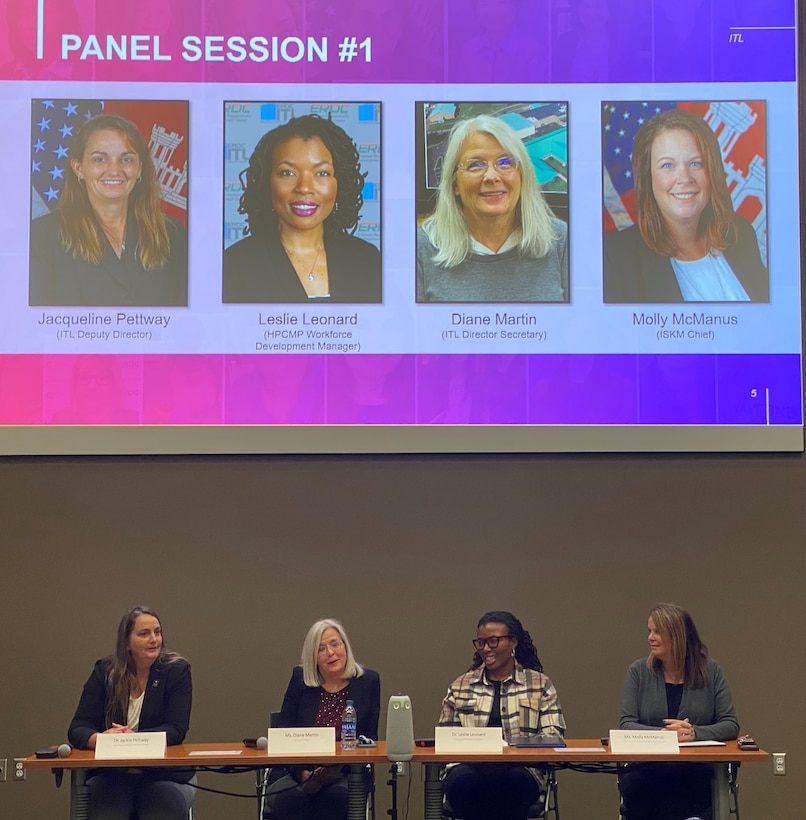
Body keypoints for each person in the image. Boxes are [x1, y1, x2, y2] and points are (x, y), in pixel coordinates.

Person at [603, 108, 768, 303]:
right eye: (667, 165)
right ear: (648, 177)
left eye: (696, 164)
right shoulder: (613, 260)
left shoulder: (738, 232)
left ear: (712, 171)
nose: (684, 178)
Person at [29, 113, 188, 307]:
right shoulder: (42, 235)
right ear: (79, 168)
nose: (114, 170)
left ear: (139, 169)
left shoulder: (171, 232)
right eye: (99, 159)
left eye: (127, 159)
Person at [223, 114, 382, 303]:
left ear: (340, 182)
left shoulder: (367, 259)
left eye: (322, 173)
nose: (304, 187)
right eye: (287, 173)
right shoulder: (234, 265)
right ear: (267, 182)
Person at [417, 114, 568, 303]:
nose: (491, 176)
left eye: (505, 162)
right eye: (475, 165)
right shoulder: (419, 249)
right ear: (454, 183)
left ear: (522, 176)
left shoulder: (561, 240)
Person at [67, 606, 195, 820]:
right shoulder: (105, 671)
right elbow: (77, 728)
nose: (154, 639)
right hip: (111, 775)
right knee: (108, 813)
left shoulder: (177, 671)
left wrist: (134, 740)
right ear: (126, 643)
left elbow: (175, 730)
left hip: (164, 775)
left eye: (157, 632)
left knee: (160, 812)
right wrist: (100, 739)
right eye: (144, 634)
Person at [438, 610, 566, 820]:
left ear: (513, 642)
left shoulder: (540, 684)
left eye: (493, 641)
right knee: (465, 785)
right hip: (467, 768)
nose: (486, 649)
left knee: (512, 786)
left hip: (522, 769)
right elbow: (445, 736)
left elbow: (553, 736)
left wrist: (511, 747)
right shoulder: (461, 685)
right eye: (481, 643)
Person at [618, 603, 739, 820]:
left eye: (657, 632)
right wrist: (662, 737)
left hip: (694, 770)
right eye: (649, 631)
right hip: (648, 769)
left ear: (677, 636)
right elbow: (626, 723)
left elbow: (730, 724)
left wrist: (694, 733)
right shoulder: (638, 672)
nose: (650, 638)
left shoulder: (711, 671)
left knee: (691, 788)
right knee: (642, 787)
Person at [266, 618, 381, 820]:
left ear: (345, 646)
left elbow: (369, 738)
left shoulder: (368, 682)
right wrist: (302, 773)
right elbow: (283, 734)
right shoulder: (300, 680)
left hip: (346, 773)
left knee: (337, 800)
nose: (330, 653)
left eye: (335, 644)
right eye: (321, 649)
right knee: (292, 802)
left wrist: (334, 768)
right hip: (295, 772)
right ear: (313, 657)